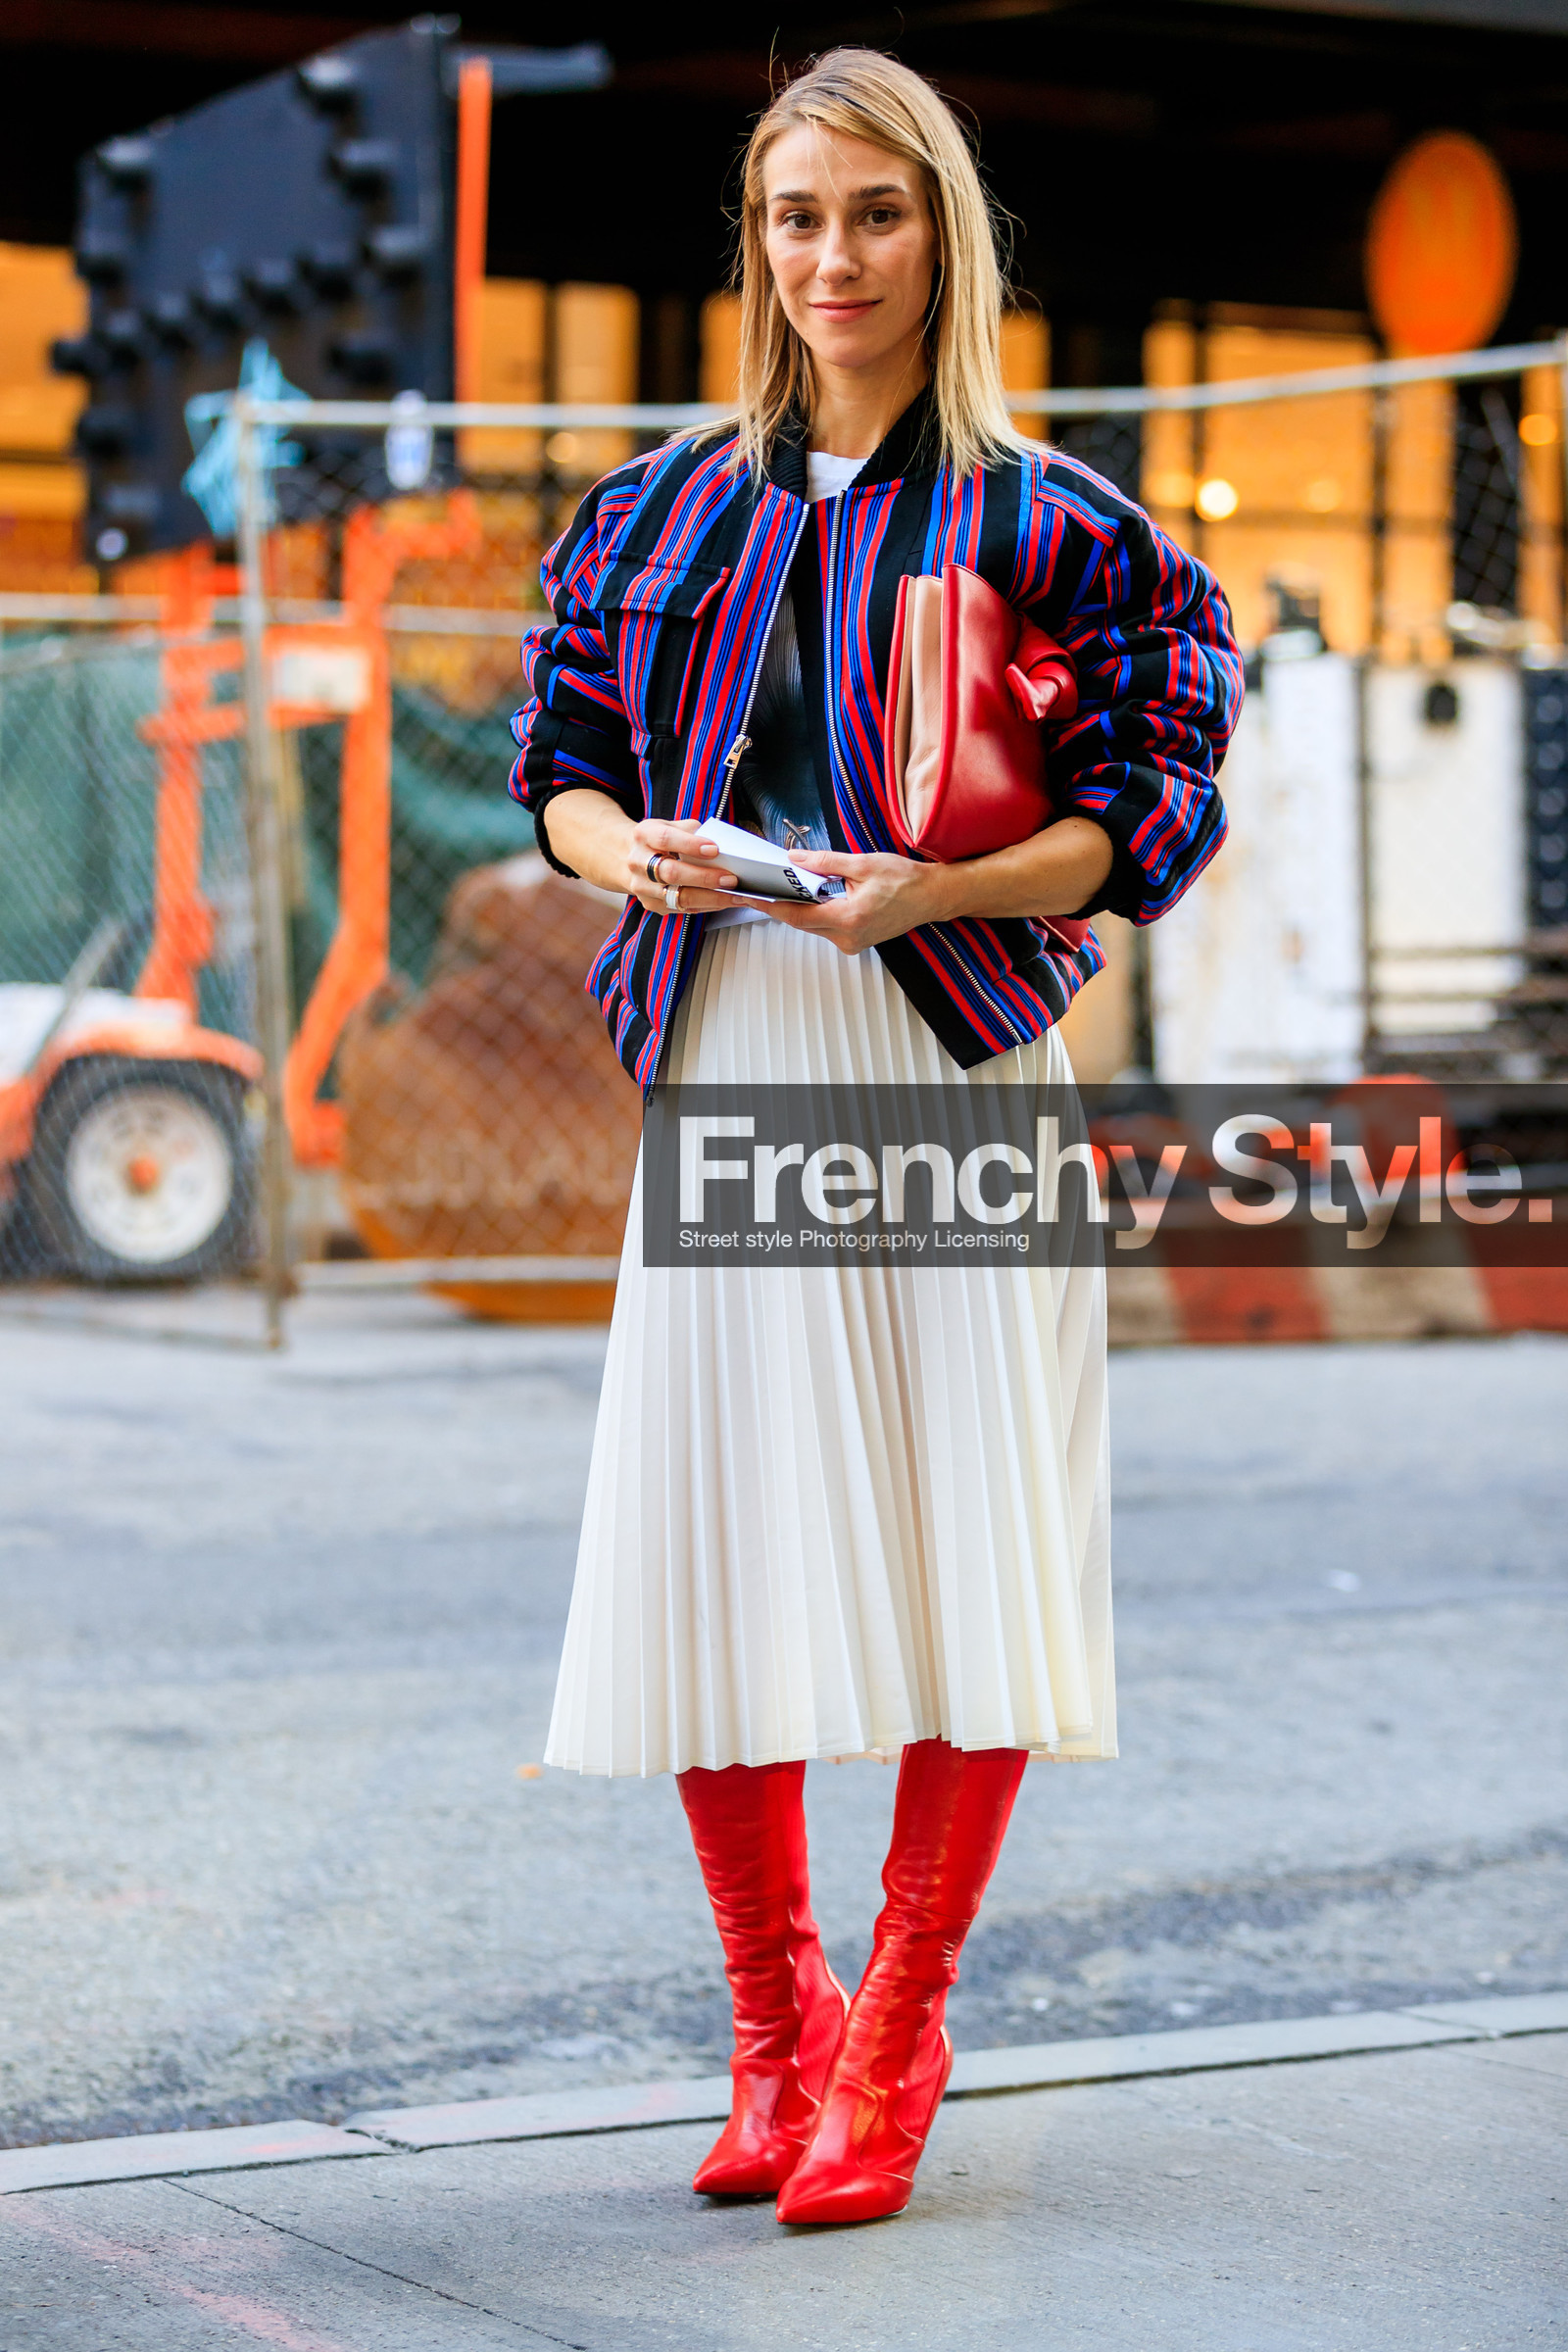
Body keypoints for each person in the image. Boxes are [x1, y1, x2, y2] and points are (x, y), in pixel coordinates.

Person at [509, 47, 1240, 2228]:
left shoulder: (1055, 524)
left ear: (946, 235)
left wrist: (941, 890)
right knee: (715, 1531)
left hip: (942, 1054)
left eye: (874, 214)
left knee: (969, 1533)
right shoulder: (652, 510)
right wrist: (604, 841)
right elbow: (552, 735)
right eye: (793, 217)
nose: (830, 259)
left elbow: (1148, 807)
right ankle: (770, 2029)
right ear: (756, 240)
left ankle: (900, 2031)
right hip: (726, 1042)